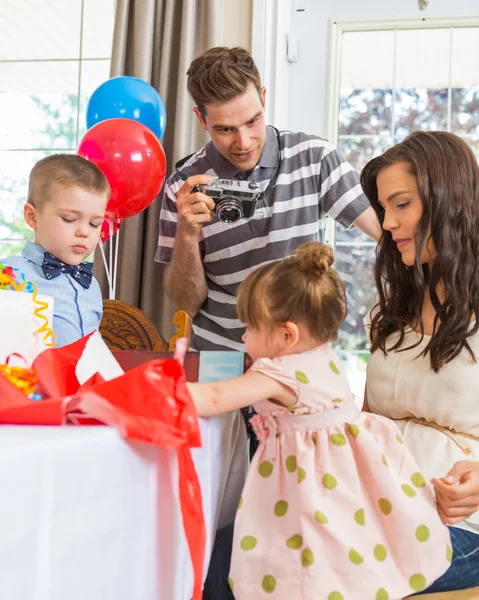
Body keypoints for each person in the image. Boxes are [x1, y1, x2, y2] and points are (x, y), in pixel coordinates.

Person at [188, 241, 451, 600]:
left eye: (249, 327)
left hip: (307, 493)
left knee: (295, 563)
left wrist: (158, 389)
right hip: (340, 490)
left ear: (287, 336)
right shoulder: (323, 358)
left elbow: (215, 397)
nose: (244, 336)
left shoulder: (281, 372)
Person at [155, 46, 382, 352]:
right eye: (225, 129)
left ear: (263, 98)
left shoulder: (314, 158)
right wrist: (186, 232)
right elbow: (186, 303)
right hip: (219, 356)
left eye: (253, 121)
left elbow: (388, 232)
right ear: (201, 118)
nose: (244, 142)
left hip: (296, 356)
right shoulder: (183, 186)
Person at [360, 130, 479, 594]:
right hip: (379, 505)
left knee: (320, 564)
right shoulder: (395, 307)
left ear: (447, 199)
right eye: (384, 208)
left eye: (401, 204)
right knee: (237, 544)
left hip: (460, 527)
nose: (387, 223)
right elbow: (369, 419)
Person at [1, 154, 110, 347]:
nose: (84, 232)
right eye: (69, 219)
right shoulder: (8, 275)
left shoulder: (90, 284)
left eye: (95, 224)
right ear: (32, 216)